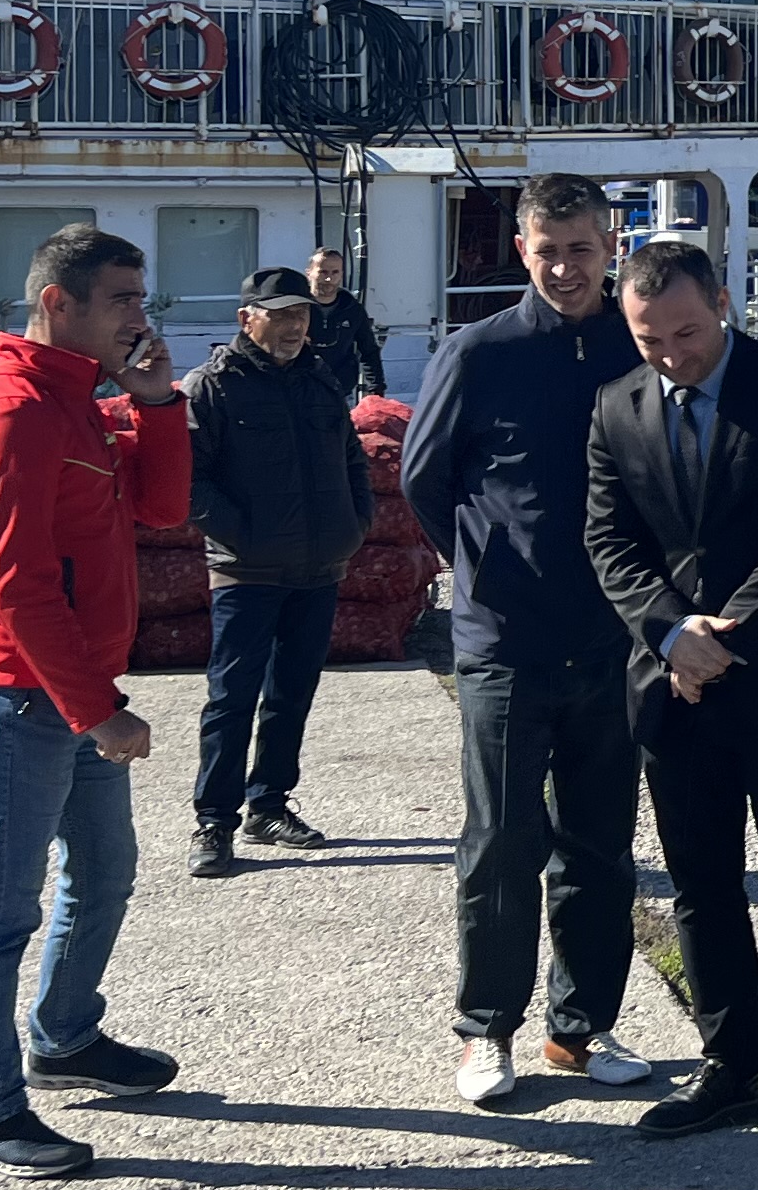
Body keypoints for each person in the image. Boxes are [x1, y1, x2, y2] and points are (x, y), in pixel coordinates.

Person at [583, 240, 758, 1141]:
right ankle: (732, 1061)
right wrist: (672, 634)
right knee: (701, 884)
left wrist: (725, 640)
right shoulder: (614, 407)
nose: (674, 354)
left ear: (721, 300)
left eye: (688, 331)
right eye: (651, 339)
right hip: (674, 688)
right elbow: (611, 543)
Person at [0, 223, 190, 1178]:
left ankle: (64, 1037)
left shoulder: (78, 405)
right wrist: (96, 711)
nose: (142, 313)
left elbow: (162, 511)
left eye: (139, 297)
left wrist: (157, 402)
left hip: (71, 695)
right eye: (124, 298)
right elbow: (18, 588)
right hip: (19, 701)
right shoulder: (13, 418)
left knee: (104, 873)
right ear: (59, 303)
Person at [404, 176, 652, 1107]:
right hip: (506, 642)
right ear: (522, 251)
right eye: (546, 251)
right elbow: (426, 481)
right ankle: (485, 1031)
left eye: (581, 249)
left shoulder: (637, 353)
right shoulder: (479, 353)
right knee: (501, 842)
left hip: (614, 640)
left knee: (598, 848)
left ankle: (581, 1030)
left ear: (609, 244)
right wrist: (487, 571)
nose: (563, 267)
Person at [181, 264, 371, 878]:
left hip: (319, 567)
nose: (294, 326)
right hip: (247, 571)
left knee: (292, 694)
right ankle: (214, 820)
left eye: (301, 315)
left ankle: (269, 803)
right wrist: (242, 534)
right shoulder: (213, 387)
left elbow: (352, 460)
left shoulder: (319, 381)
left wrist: (356, 524)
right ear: (247, 319)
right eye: (280, 314)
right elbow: (189, 478)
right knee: (231, 698)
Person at [301, 246, 386, 406]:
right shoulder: (296, 309)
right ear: (309, 273)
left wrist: (376, 389)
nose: (329, 279)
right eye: (323, 272)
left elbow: (369, 350)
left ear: (341, 274)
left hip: (341, 392)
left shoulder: (353, 309)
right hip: (302, 391)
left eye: (335, 272)